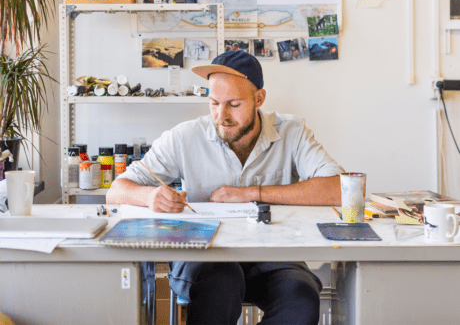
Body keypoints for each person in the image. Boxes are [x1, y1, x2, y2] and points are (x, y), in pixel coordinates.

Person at [107, 50, 343, 325]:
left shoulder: (292, 132)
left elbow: (339, 188)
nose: (222, 115)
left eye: (234, 104)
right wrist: (150, 196)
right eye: (214, 103)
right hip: (207, 257)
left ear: (259, 99)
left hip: (273, 255)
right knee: (221, 285)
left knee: (300, 297)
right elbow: (117, 190)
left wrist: (253, 193)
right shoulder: (185, 137)